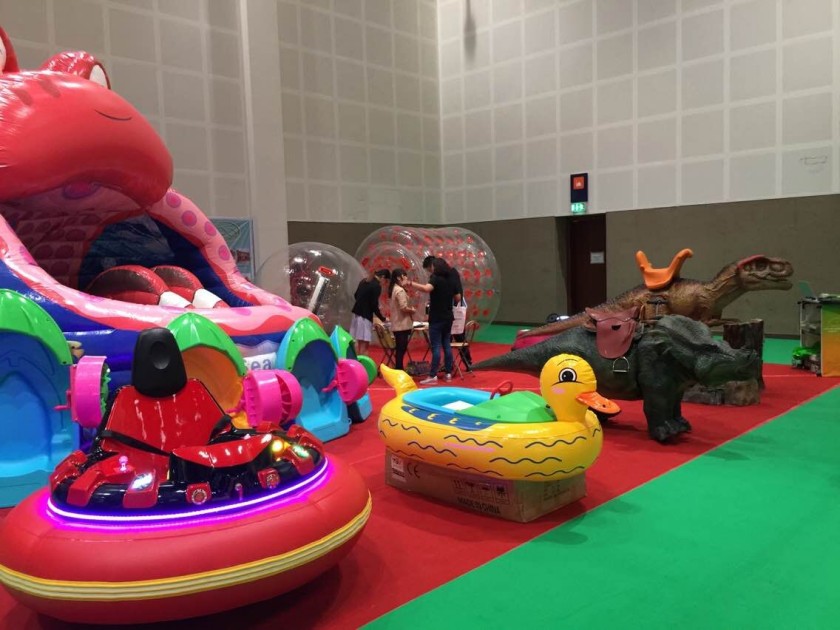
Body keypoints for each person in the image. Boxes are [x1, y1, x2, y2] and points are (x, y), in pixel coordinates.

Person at [410, 258, 455, 385]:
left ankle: (433, 375)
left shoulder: (436, 278)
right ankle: (448, 373)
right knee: (447, 345)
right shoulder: (450, 279)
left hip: (437, 318)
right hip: (448, 317)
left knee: (436, 347)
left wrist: (411, 283)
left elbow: (426, 288)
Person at [423, 255, 471, 367]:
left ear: (433, 265)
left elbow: (456, 293)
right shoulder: (450, 273)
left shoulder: (443, 275)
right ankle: (452, 364)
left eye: (430, 269)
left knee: (456, 336)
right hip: (451, 309)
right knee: (450, 339)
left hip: (452, 309)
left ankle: (464, 362)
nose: (430, 272)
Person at [350, 268, 390, 356]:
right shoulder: (376, 286)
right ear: (383, 277)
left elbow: (356, 295)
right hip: (365, 317)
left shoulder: (364, 281)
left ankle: (356, 362)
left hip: (356, 314)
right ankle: (363, 364)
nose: (385, 284)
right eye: (386, 281)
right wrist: (382, 318)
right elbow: (374, 305)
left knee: (357, 342)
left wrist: (363, 302)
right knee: (364, 346)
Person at [388, 268, 415, 371]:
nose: (406, 279)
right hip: (402, 324)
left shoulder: (394, 289)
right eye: (405, 276)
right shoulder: (400, 290)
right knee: (401, 348)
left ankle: (399, 367)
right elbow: (403, 307)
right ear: (399, 278)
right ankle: (399, 368)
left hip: (397, 323)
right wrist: (412, 310)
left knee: (400, 348)